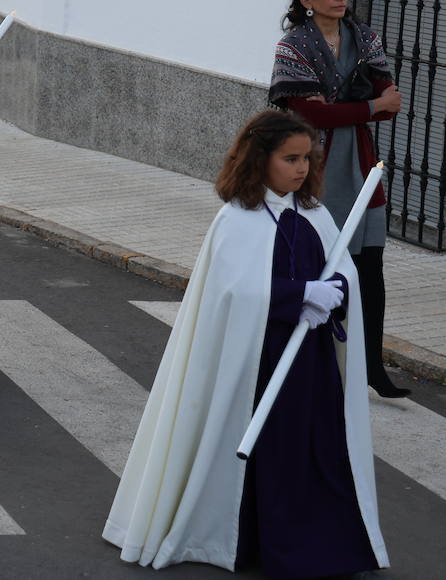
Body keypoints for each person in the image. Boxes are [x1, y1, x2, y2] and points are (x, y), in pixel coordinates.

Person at [104, 110, 388, 577]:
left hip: (309, 359)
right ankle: (254, 539)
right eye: (289, 159)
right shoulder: (237, 218)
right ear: (261, 159)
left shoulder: (314, 213)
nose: (300, 168)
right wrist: (298, 295)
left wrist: (333, 291)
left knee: (315, 444)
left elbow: (343, 268)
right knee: (268, 448)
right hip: (256, 358)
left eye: (306, 159)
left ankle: (323, 542)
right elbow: (231, 290)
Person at [270, 0, 409, 398]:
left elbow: (393, 101)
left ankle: (372, 368)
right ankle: (314, 359)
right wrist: (365, 105)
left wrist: (346, 106)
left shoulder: (365, 38)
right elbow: (312, 114)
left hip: (360, 164)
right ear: (307, 1)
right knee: (321, 266)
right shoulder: (292, 46)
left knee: (370, 265)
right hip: (315, 166)